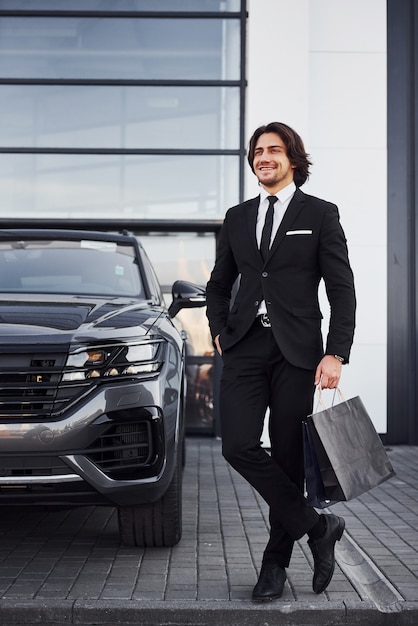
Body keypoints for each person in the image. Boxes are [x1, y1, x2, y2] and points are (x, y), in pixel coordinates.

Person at [206, 121, 356, 601]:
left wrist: (336, 352)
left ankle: (274, 565)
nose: (262, 157)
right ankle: (318, 527)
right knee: (238, 446)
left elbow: (341, 289)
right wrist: (218, 328)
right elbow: (218, 282)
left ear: (293, 158)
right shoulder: (236, 216)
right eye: (256, 152)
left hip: (297, 353)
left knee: (289, 459)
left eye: (272, 150)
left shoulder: (321, 214)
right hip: (246, 346)